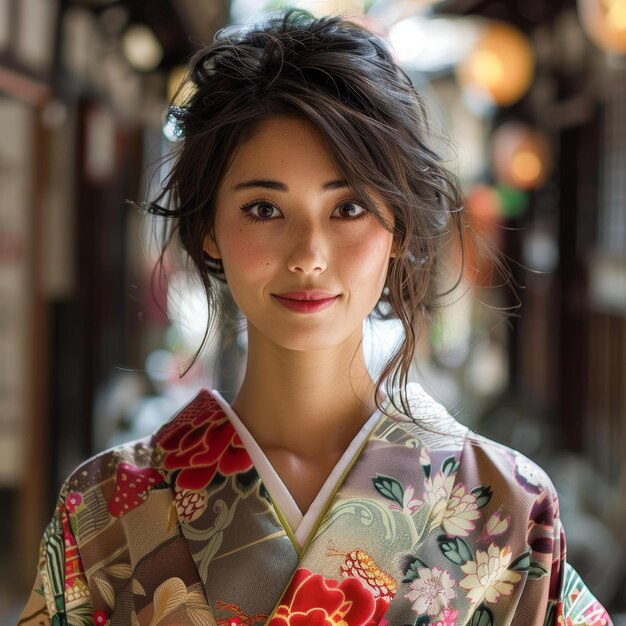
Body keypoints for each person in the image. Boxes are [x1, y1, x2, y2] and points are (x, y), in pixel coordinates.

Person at [19, 9, 613, 626]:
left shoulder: (506, 506)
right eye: (263, 209)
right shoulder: (104, 508)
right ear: (209, 230)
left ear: (399, 228)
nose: (308, 255)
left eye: (348, 206)